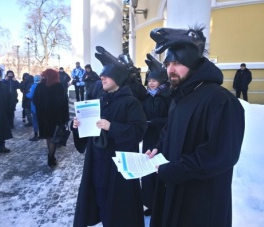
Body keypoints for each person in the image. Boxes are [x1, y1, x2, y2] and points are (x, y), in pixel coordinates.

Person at [147, 26, 245, 226]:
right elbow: (170, 129)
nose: (170, 70)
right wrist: (159, 147)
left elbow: (221, 154)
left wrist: (173, 170)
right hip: (175, 191)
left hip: (201, 200)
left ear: (192, 63)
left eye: (177, 63)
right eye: (167, 64)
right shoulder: (180, 95)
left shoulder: (221, 100)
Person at [72, 46, 147, 227]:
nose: (101, 77)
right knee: (101, 201)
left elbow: (138, 131)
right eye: (102, 75)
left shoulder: (131, 103)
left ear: (118, 78)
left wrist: (112, 127)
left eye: (106, 75)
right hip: (97, 163)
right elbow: (87, 134)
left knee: (119, 208)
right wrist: (76, 126)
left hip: (118, 168)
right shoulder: (98, 100)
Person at [141, 53, 171, 216]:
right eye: (149, 80)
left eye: (153, 80)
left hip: (162, 138)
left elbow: (171, 118)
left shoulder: (167, 96)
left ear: (161, 81)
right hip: (148, 137)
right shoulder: (146, 96)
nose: (150, 83)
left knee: (161, 169)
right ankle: (150, 203)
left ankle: (163, 203)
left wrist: (154, 123)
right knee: (148, 169)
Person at [33, 69, 69, 167]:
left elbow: (35, 101)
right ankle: (51, 157)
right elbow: (64, 103)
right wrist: (65, 118)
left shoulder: (39, 87)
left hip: (43, 118)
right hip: (56, 118)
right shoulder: (59, 87)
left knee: (49, 138)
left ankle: (51, 157)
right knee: (54, 138)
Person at [26, 74, 41, 141]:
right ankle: (42, 134)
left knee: (35, 121)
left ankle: (36, 135)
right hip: (42, 106)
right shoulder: (43, 86)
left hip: (35, 106)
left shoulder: (33, 86)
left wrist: (26, 94)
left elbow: (31, 95)